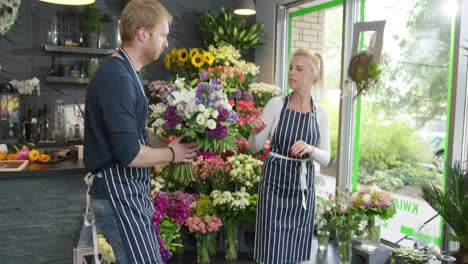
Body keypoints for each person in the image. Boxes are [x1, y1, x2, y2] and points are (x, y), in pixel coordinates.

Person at [83, 1, 196, 263]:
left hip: (127, 193)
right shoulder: (117, 77)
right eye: (163, 35)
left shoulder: (126, 72)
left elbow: (130, 135)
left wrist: (160, 140)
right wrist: (171, 153)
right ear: (143, 34)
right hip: (117, 194)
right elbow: (128, 153)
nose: (166, 43)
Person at [249, 48, 330, 264]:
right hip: (274, 187)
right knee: (271, 252)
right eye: (291, 68)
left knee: (295, 252)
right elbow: (254, 148)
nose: (292, 73)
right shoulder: (276, 105)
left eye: (299, 69)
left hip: (302, 192)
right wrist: (254, 133)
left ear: (313, 74)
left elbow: (326, 157)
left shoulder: (320, 113)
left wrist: (311, 149)